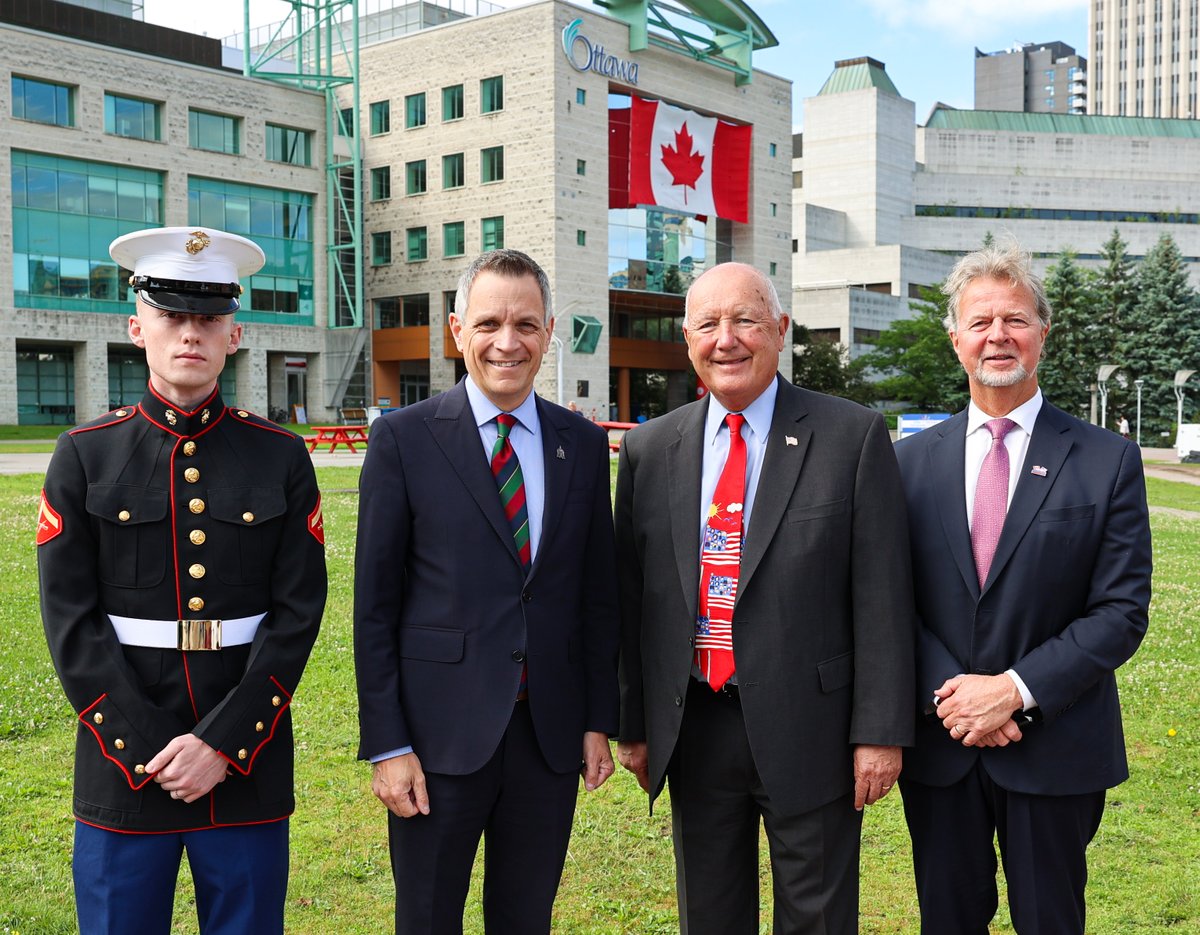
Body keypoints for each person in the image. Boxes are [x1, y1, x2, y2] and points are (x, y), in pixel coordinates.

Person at [37, 226, 327, 934]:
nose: (189, 333)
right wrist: (150, 751)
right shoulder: (84, 457)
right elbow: (71, 625)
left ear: (234, 336)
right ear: (138, 327)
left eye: (208, 318)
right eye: (171, 315)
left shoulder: (281, 458)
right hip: (124, 768)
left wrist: (223, 744)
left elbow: (297, 615)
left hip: (245, 769)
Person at [615, 262, 915, 934]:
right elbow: (635, 597)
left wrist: (880, 731)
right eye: (709, 323)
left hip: (815, 726)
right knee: (710, 915)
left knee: (818, 916)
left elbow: (883, 597)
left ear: (780, 330)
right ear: (687, 339)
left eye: (746, 319)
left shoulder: (852, 437)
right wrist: (633, 723)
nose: (728, 338)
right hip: (696, 724)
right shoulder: (649, 449)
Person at [353, 249, 619, 934]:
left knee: (525, 916)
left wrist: (598, 717)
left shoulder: (582, 444)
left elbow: (595, 593)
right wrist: (388, 744)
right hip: (436, 742)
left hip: (547, 737)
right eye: (490, 322)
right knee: (428, 916)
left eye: (527, 324)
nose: (509, 342)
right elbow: (375, 607)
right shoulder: (403, 441)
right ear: (456, 329)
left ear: (550, 330)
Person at [894, 243, 1152, 934]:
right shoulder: (904, 463)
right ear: (955, 339)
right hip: (941, 745)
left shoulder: (1108, 460)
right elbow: (888, 601)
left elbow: (1121, 610)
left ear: (1042, 332)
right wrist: (954, 696)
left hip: (1056, 747)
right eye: (980, 322)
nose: (997, 335)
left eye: (1015, 318)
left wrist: (1012, 689)